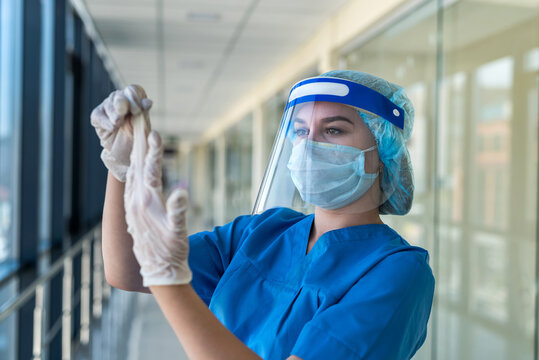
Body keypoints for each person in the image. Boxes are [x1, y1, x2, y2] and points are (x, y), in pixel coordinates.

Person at [91, 70, 435, 360]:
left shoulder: (399, 272)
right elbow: (127, 270)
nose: (309, 145)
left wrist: (170, 282)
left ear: (383, 150)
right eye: (301, 131)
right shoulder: (261, 232)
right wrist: (122, 169)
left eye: (333, 130)